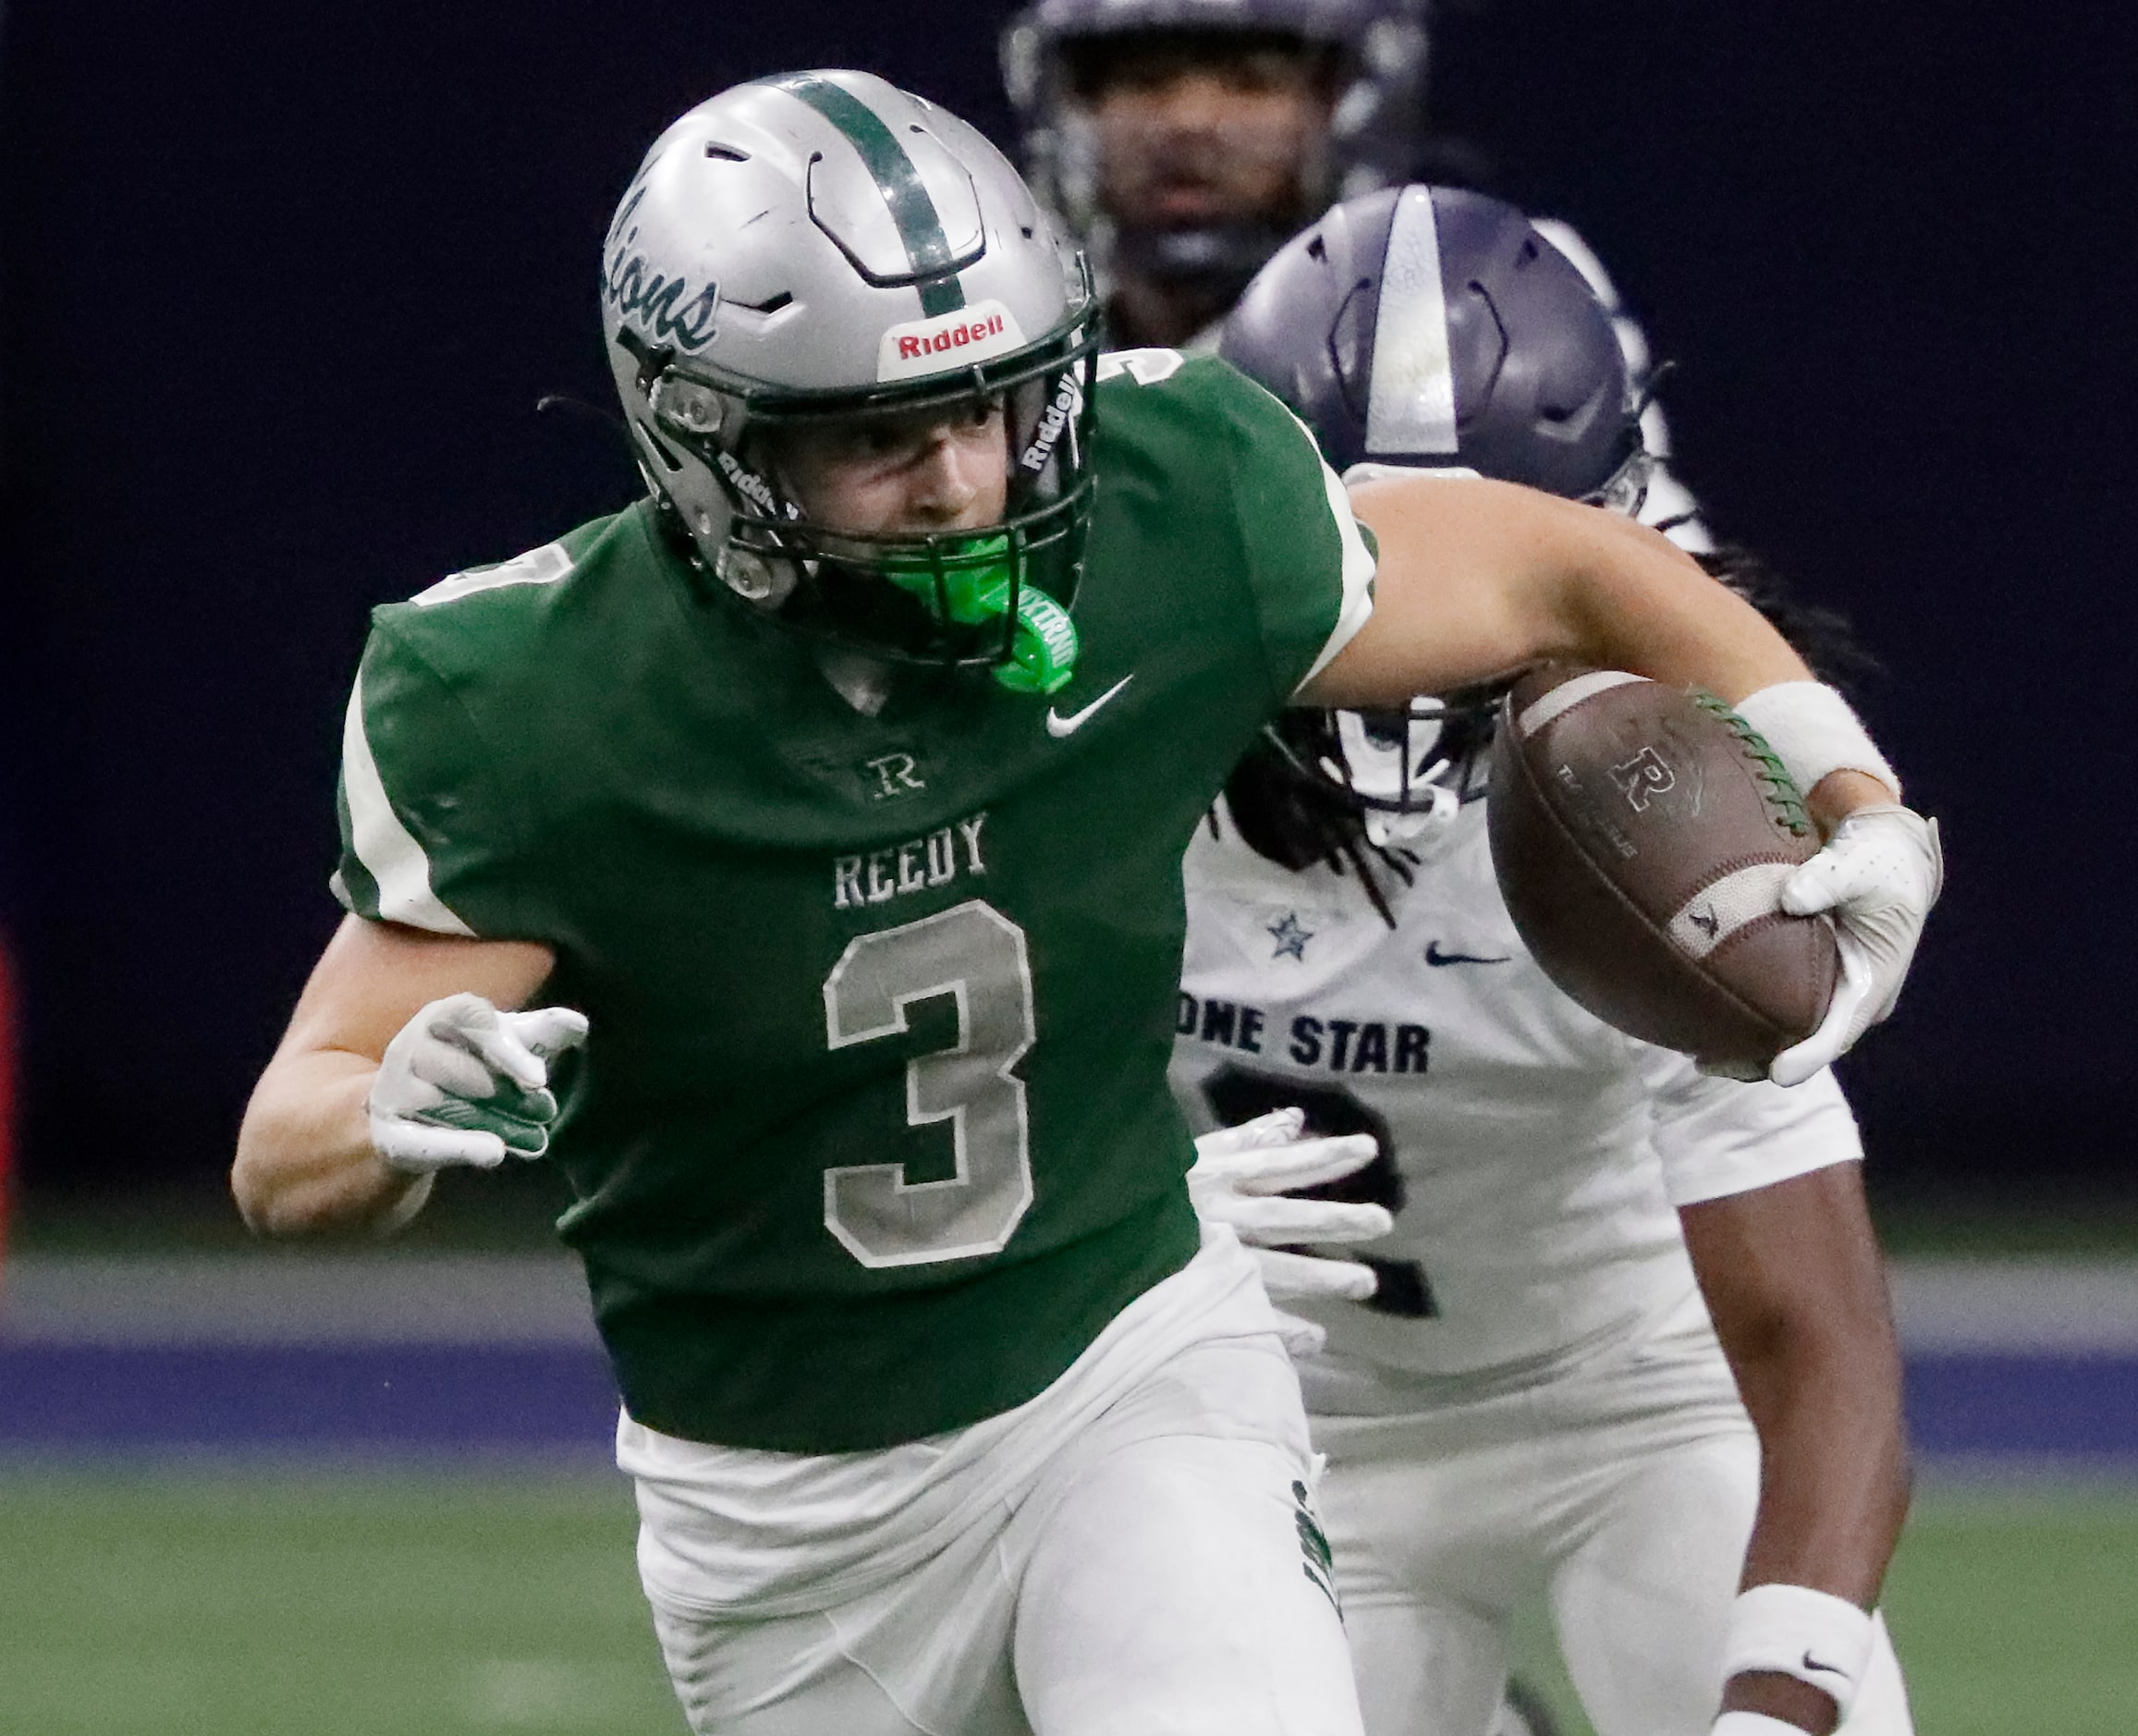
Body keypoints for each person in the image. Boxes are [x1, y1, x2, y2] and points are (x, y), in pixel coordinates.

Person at [230, 73, 1937, 1736]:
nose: (962, 484)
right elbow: (286, 1143)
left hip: (1129, 1367)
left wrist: (1847, 784)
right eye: (878, 436)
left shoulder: (1164, 517)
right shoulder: (527, 702)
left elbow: (1549, 559)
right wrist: (383, 1106)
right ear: (710, 442)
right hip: (776, 1516)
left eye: (985, 405)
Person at [1173, 185, 1928, 1736]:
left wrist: (1774, 1709)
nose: (1407, 616)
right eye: (1353, 552)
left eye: (1477, 551)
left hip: (1632, 1404)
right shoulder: (1100, 736)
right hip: (1278, 1431)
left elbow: (1817, 1346)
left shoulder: (1653, 802)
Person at [1000, 0, 1710, 543]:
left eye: (1250, 81)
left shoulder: (1485, 287)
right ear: (1072, 103)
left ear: (1345, 101)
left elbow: (1643, 564)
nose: (1189, 119)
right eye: (1144, 81)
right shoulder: (995, 315)